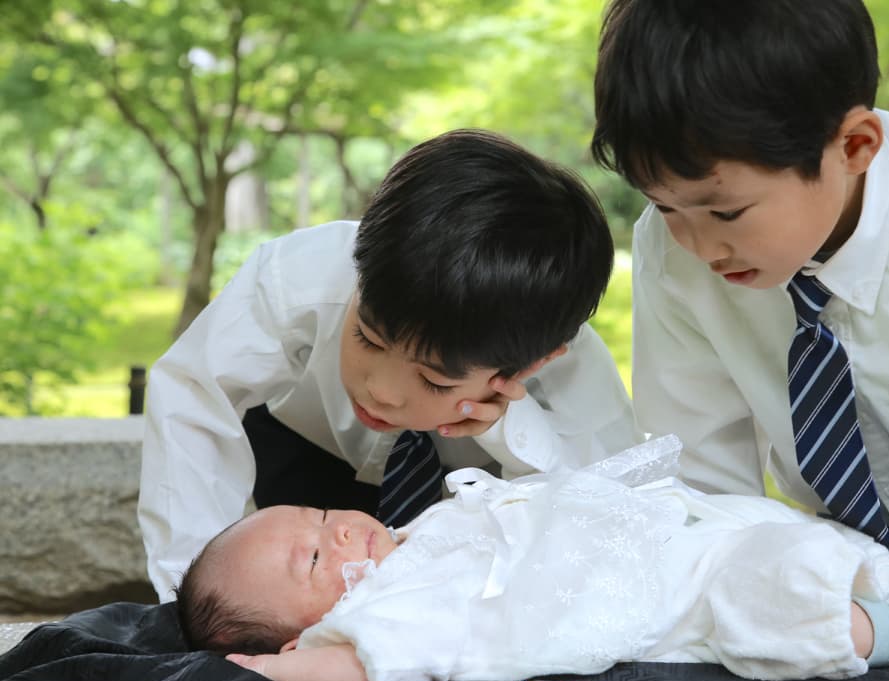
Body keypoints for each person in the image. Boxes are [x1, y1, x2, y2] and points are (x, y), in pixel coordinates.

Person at [589, 0, 889, 656]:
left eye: (726, 211)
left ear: (854, 146)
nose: (699, 245)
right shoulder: (669, 252)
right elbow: (698, 464)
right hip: (837, 545)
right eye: (664, 205)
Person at [138, 129, 640, 602]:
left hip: (467, 493)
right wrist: (189, 598)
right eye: (367, 337)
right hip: (306, 450)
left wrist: (518, 435)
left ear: (534, 362)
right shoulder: (301, 276)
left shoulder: (565, 369)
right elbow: (195, 396)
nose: (381, 391)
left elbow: (608, 514)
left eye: (433, 378)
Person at [175, 438, 889, 681]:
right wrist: (287, 671)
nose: (339, 527)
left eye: (318, 517)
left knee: (762, 531)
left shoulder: (418, 532)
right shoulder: (395, 603)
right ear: (308, 626)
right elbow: (369, 660)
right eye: (315, 558)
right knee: (761, 598)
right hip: (668, 599)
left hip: (664, 538)